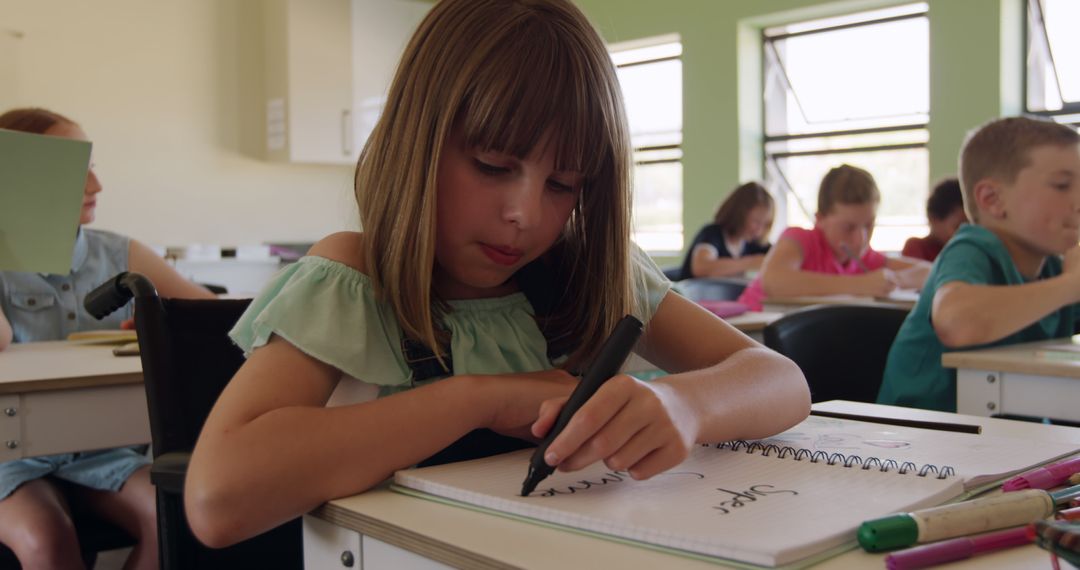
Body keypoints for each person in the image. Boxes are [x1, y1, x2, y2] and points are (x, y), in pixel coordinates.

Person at [183, 0, 811, 549]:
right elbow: (217, 500)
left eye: (562, 184)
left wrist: (683, 404)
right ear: (417, 141)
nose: (524, 215)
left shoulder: (593, 270)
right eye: (491, 164)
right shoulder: (353, 276)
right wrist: (476, 398)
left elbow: (780, 381)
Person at [0, 107, 215, 569]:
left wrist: (162, 328)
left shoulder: (119, 252)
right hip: (8, 456)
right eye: (75, 170)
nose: (95, 186)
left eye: (91, 166)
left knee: (173, 517)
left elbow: (209, 321)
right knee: (46, 539)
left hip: (101, 448)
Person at [878, 117, 1080, 412]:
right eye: (1062, 185)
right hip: (923, 440)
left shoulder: (1051, 267)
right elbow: (957, 323)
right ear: (992, 199)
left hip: (1007, 441)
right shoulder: (972, 247)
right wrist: (1071, 285)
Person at [737, 164, 931, 311]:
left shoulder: (866, 259)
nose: (861, 238)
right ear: (820, 219)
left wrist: (892, 279)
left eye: (869, 225)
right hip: (748, 339)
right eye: (849, 227)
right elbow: (774, 281)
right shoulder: (800, 240)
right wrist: (862, 285)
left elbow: (930, 271)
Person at [678, 181, 773, 280]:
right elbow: (701, 268)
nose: (759, 229)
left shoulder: (754, 243)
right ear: (738, 213)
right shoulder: (712, 234)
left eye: (765, 224)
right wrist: (750, 263)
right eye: (756, 221)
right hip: (691, 293)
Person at [901, 177, 968, 262]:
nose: (966, 233)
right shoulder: (916, 247)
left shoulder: (967, 248)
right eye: (958, 227)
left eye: (970, 227)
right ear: (933, 219)